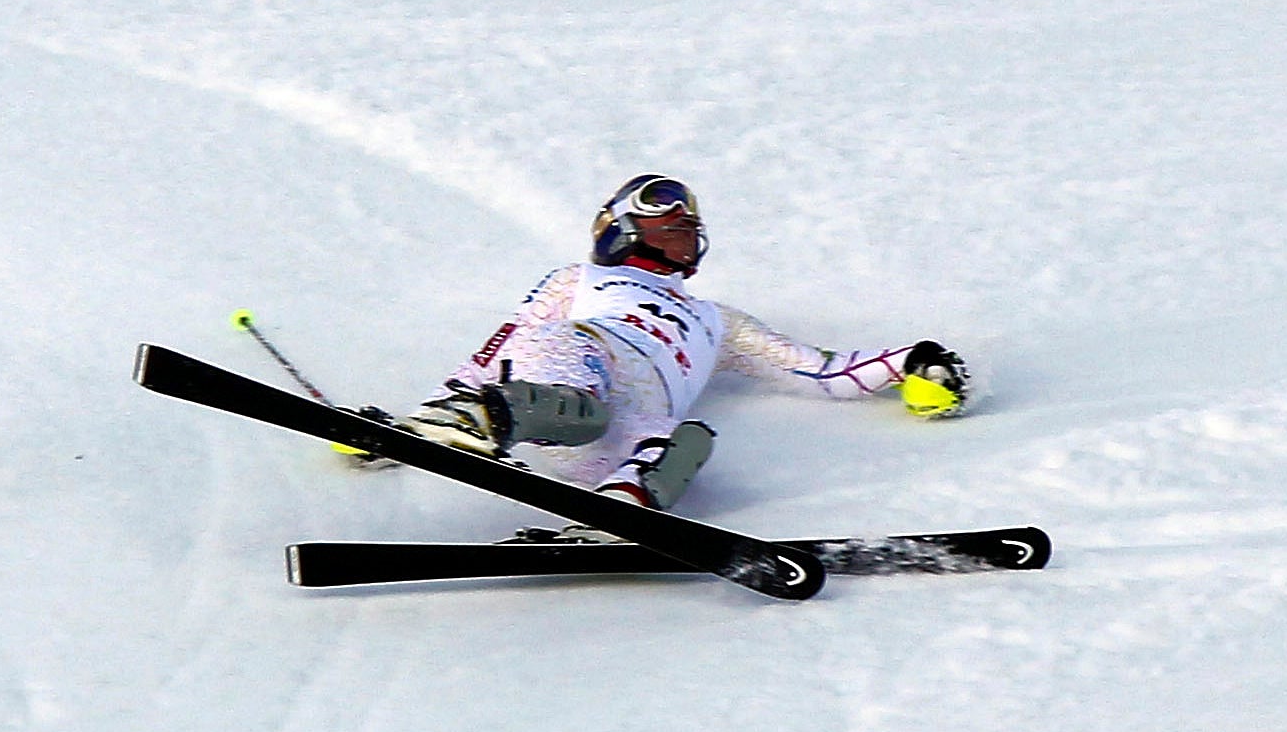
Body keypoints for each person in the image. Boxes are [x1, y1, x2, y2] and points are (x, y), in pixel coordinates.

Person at [393, 175, 970, 512]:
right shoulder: (581, 279)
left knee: (685, 441)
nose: (685, 228)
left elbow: (820, 372)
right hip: (576, 362)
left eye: (690, 225)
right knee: (572, 370)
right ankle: (474, 420)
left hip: (629, 421)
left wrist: (909, 362)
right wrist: (411, 425)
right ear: (620, 227)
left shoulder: (720, 322)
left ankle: (622, 507)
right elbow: (507, 341)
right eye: (667, 220)